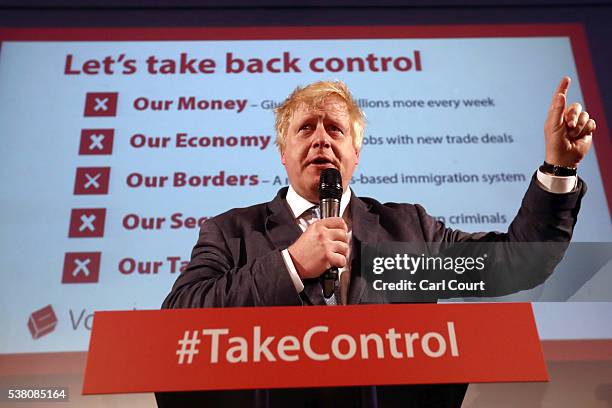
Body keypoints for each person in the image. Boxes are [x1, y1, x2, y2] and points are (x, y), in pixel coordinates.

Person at [156, 78, 595, 407]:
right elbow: (177, 322)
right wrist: (290, 264)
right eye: (306, 128)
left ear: (356, 153)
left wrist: (558, 169)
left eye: (335, 129)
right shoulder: (231, 231)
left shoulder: (409, 229)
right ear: (283, 153)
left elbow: (517, 263)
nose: (321, 139)